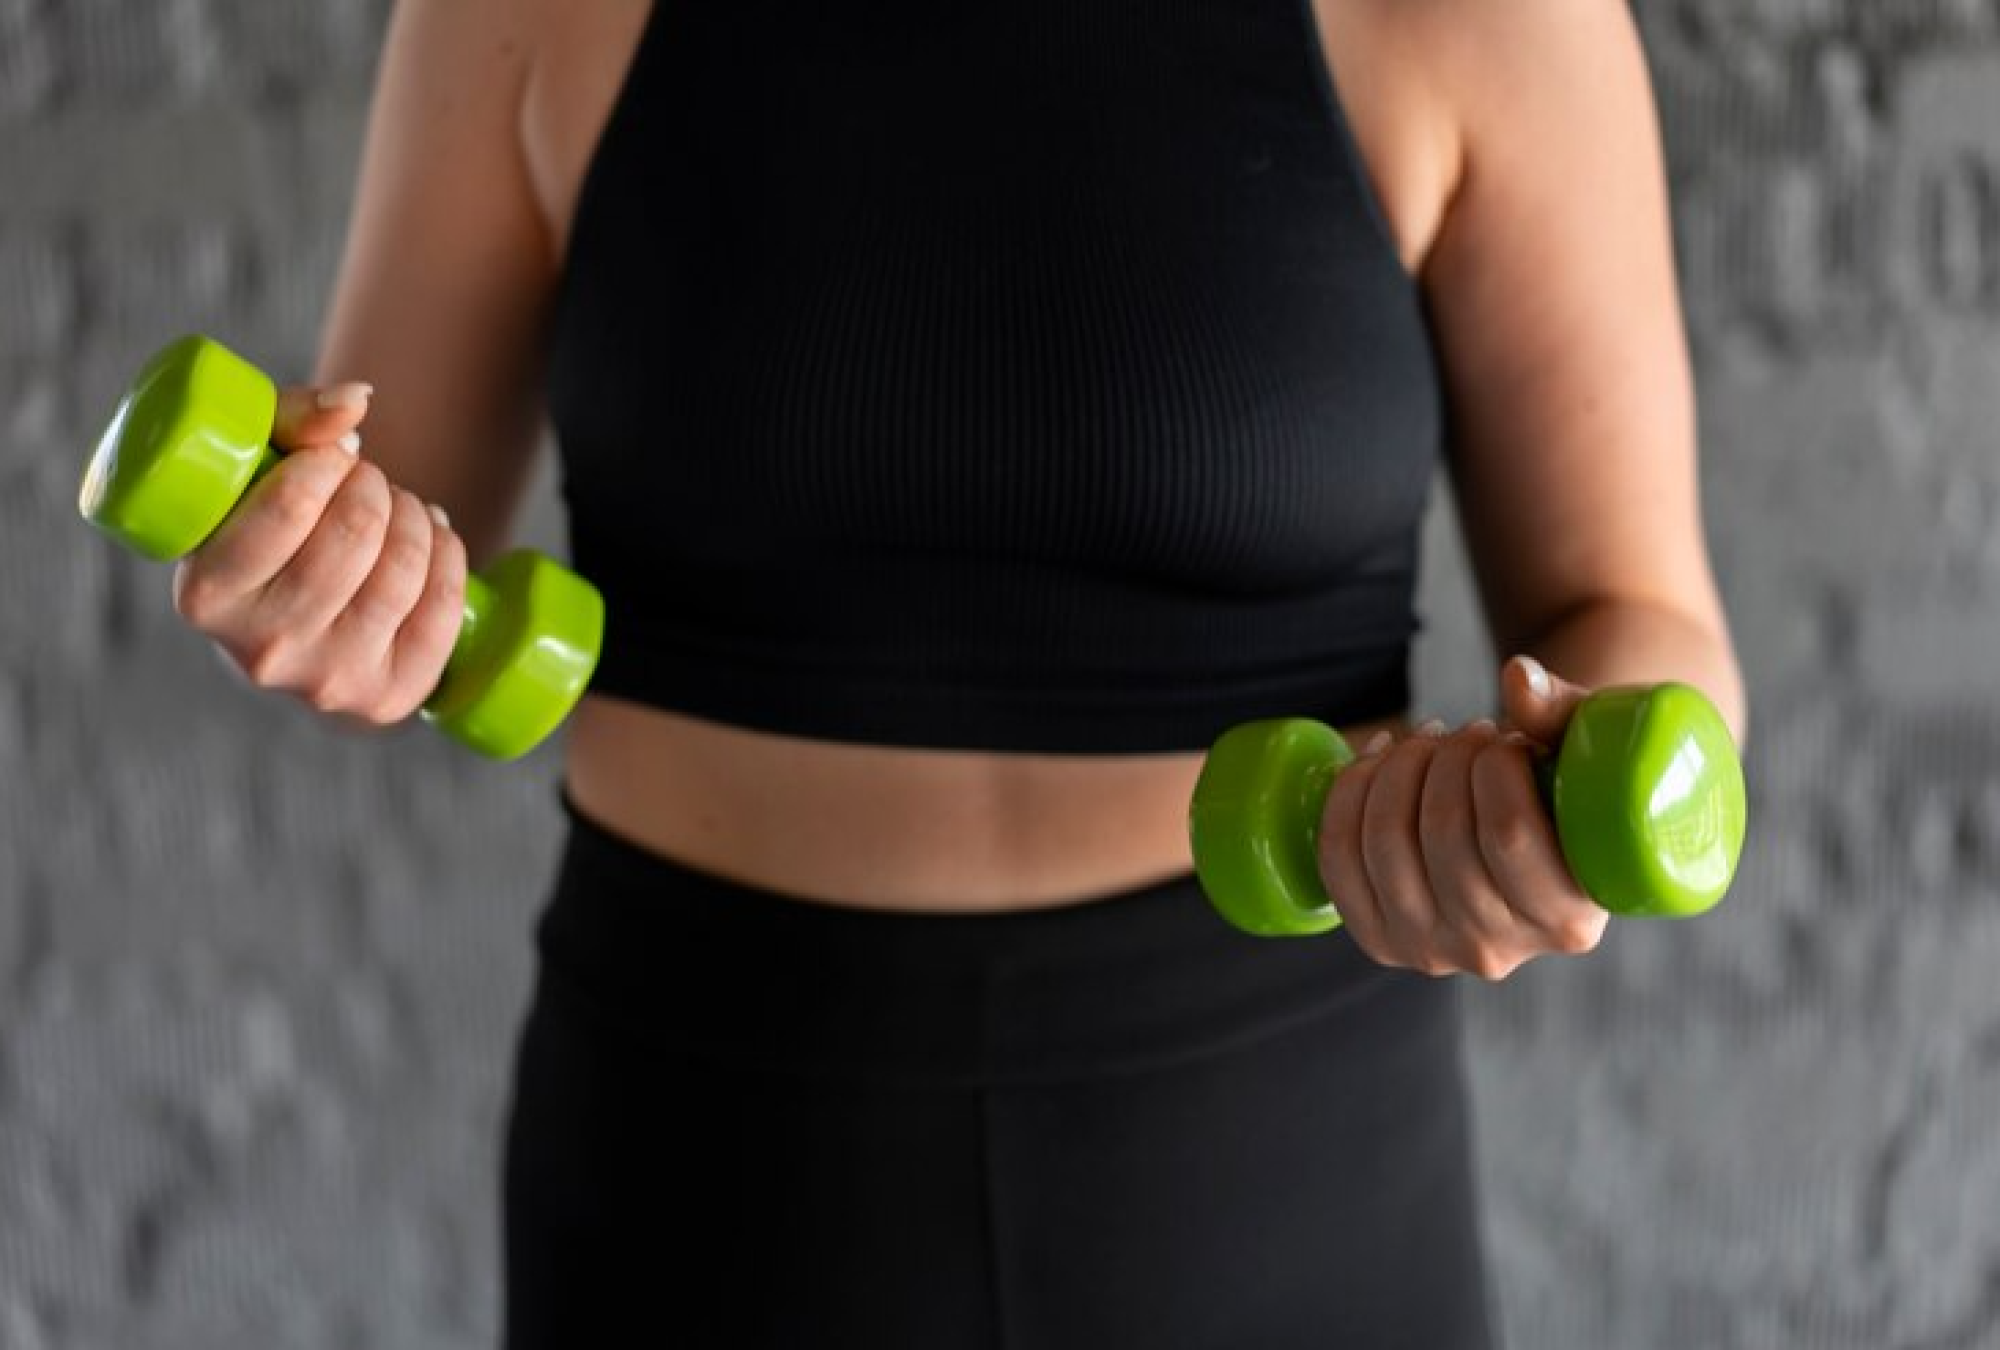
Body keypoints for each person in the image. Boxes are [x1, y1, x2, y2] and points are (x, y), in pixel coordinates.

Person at [168, 0, 1748, 1344]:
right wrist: (310, 575)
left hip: (1278, 1167)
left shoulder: (1488, 20)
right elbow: (389, 517)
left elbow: (1636, 608)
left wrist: (1559, 797)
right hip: (696, 1161)